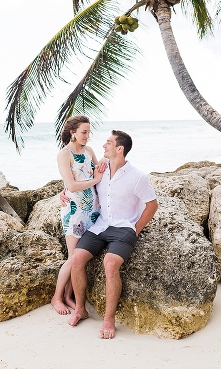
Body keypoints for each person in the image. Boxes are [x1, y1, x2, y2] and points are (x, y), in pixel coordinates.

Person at [67, 130, 158, 339]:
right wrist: (65, 194)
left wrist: (137, 227)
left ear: (120, 149)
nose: (103, 146)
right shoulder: (100, 170)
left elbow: (152, 205)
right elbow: (77, 184)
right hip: (100, 225)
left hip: (124, 227)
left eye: (108, 143)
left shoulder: (137, 177)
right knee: (77, 259)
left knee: (110, 263)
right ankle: (80, 309)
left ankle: (109, 320)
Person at [51, 115, 106, 315]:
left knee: (82, 258)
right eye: (84, 132)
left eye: (89, 132)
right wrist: (93, 180)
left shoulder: (89, 151)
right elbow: (73, 185)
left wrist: (105, 164)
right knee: (72, 258)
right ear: (72, 132)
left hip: (92, 211)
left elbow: (101, 172)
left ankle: (68, 296)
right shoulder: (64, 154)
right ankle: (57, 298)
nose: (87, 136)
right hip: (74, 212)